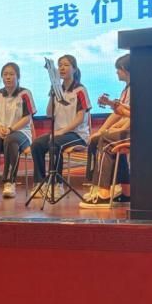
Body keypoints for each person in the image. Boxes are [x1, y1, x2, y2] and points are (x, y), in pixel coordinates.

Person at [31, 55, 91, 199]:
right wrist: (53, 92)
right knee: (37, 145)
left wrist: (63, 131)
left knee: (54, 144)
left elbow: (80, 118)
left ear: (74, 69)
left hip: (77, 134)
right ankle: (40, 184)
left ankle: (56, 185)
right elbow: (49, 113)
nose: (62, 68)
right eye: (60, 65)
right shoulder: (57, 89)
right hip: (59, 133)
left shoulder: (80, 89)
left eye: (66, 65)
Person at [80, 54, 131, 208]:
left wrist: (118, 127)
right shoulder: (127, 89)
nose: (117, 72)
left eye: (118, 69)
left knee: (106, 140)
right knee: (101, 138)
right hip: (129, 129)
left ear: (126, 69)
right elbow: (121, 112)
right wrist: (104, 129)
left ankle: (103, 193)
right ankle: (126, 193)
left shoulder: (137, 88)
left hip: (139, 132)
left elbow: (133, 113)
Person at [0, 62, 34, 199]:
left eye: (11, 74)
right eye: (5, 74)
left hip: (20, 132)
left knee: (10, 140)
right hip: (1, 130)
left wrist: (11, 129)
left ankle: (9, 182)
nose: (8, 77)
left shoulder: (25, 94)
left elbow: (27, 118)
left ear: (18, 76)